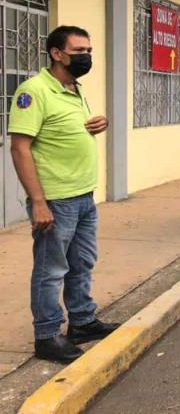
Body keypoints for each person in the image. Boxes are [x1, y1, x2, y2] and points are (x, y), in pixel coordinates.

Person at [9, 26, 119, 364]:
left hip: (83, 195)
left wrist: (94, 126)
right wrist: (39, 201)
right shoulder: (34, 91)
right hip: (55, 199)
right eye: (79, 51)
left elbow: (63, 132)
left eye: (89, 50)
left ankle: (83, 321)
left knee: (82, 263)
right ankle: (47, 335)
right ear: (57, 53)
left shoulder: (73, 88)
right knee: (50, 268)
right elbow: (20, 148)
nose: (87, 56)